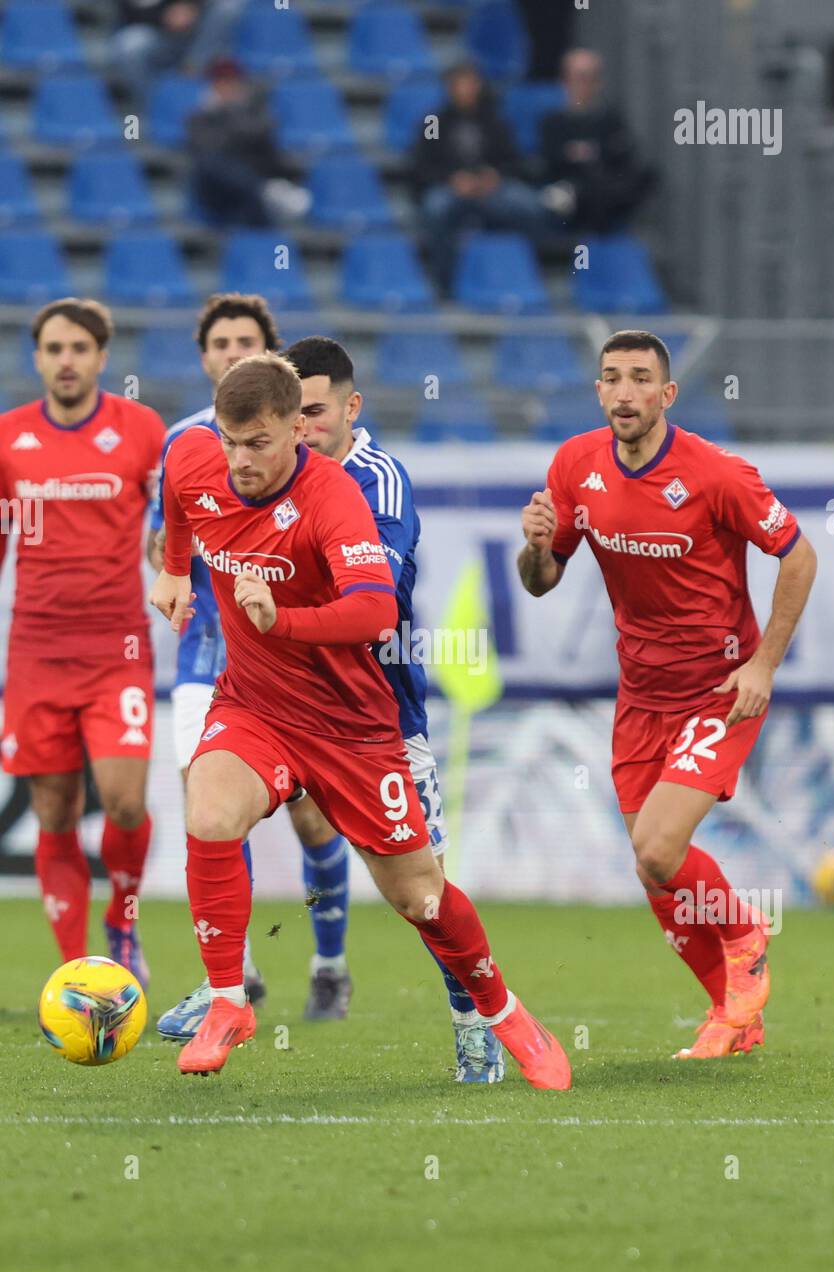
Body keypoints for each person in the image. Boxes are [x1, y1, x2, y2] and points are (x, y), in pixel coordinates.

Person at [149, 354, 570, 1088]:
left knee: (422, 897)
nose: (239, 460)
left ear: (294, 432)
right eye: (229, 441)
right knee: (209, 811)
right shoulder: (195, 456)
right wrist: (176, 569)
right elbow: (178, 491)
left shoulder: (335, 497)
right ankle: (227, 1002)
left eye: (258, 444)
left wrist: (281, 620)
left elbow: (375, 610)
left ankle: (503, 1013)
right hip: (254, 705)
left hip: (354, 726)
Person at [517, 329, 817, 1059]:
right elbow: (541, 579)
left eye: (640, 379)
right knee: (656, 876)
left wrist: (764, 666)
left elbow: (800, 556)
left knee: (657, 849)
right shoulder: (574, 465)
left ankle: (746, 932)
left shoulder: (717, 474)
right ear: (598, 391)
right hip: (640, 695)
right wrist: (533, 544)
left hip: (720, 688)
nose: (625, 392)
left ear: (666, 394)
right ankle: (730, 1016)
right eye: (612, 378)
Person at [0, 299, 165, 983]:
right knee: (54, 810)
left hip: (116, 650)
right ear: (37, 358)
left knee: (124, 801)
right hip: (36, 651)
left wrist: (177, 577)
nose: (66, 360)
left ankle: (122, 922)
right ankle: (77, 970)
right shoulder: (8, 439)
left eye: (79, 348)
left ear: (101, 358)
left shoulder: (142, 431)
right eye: (54, 348)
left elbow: (168, 532)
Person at [147, 293, 280, 1006]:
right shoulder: (183, 442)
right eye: (221, 342)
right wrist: (171, 564)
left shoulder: (297, 440)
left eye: (246, 341)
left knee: (324, 821)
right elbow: (160, 538)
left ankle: (328, 959)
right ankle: (239, 970)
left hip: (294, 658)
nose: (232, 352)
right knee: (209, 799)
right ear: (204, 357)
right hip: (206, 651)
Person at [412, 62, 541, 295]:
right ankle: (445, 282)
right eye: (460, 84)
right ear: (449, 88)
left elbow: (514, 161)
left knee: (529, 206)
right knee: (434, 209)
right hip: (451, 189)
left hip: (490, 189)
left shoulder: (495, 121)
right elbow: (423, 166)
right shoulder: (435, 122)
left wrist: (494, 176)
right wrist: (452, 179)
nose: (467, 89)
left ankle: (521, 276)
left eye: (471, 83)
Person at [539, 49, 654, 233]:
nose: (585, 85)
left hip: (605, 186)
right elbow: (550, 160)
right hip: (570, 187)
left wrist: (585, 154)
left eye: (591, 78)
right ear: (565, 81)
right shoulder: (552, 122)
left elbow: (622, 157)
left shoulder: (610, 120)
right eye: (579, 77)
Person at [186, 57, 310, 228]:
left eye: (232, 82)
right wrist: (226, 114)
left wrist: (235, 113)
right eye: (223, 82)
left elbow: (262, 135)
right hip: (218, 193)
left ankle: (267, 195)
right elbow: (208, 150)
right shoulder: (199, 117)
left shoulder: (254, 109)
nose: (229, 88)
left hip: (251, 187)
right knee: (215, 163)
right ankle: (265, 192)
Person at [109, 1, 247, 104]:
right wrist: (164, 16)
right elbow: (128, 15)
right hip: (159, 35)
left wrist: (190, 6)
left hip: (200, 33)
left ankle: (195, 66)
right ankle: (158, 104)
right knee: (129, 44)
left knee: (229, 5)